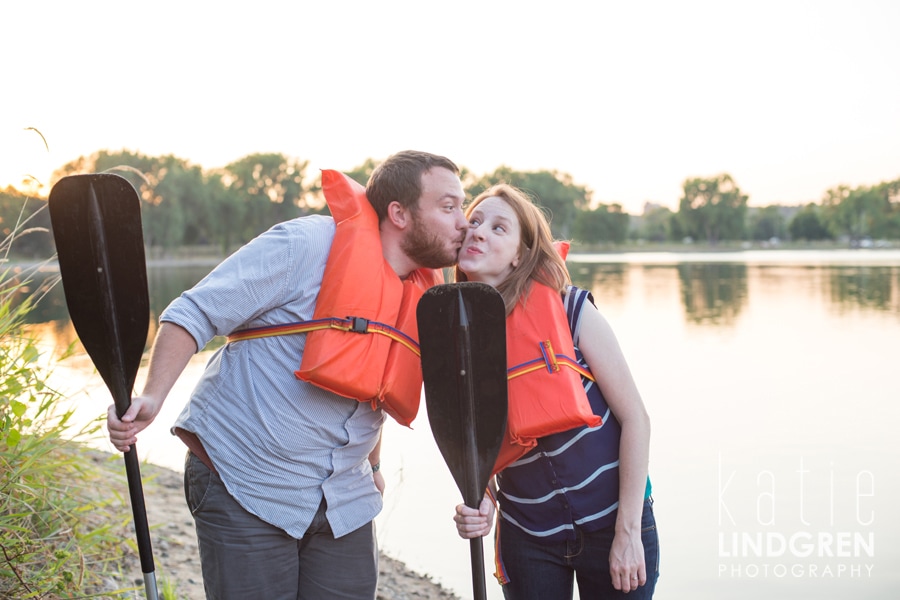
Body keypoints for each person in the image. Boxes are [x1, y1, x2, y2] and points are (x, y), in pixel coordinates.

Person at [107, 150, 469, 600]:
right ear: (399, 213)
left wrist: (373, 464)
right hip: (245, 476)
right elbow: (194, 312)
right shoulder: (308, 244)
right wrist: (153, 397)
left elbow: (372, 379)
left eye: (464, 207)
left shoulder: (423, 291)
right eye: (449, 207)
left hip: (344, 498)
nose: (464, 222)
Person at [452, 184, 659, 599]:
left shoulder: (571, 310)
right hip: (527, 537)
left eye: (498, 227)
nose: (478, 231)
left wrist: (628, 533)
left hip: (614, 524)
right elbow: (472, 441)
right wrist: (485, 498)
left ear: (520, 255)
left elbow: (636, 418)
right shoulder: (458, 340)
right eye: (473, 222)